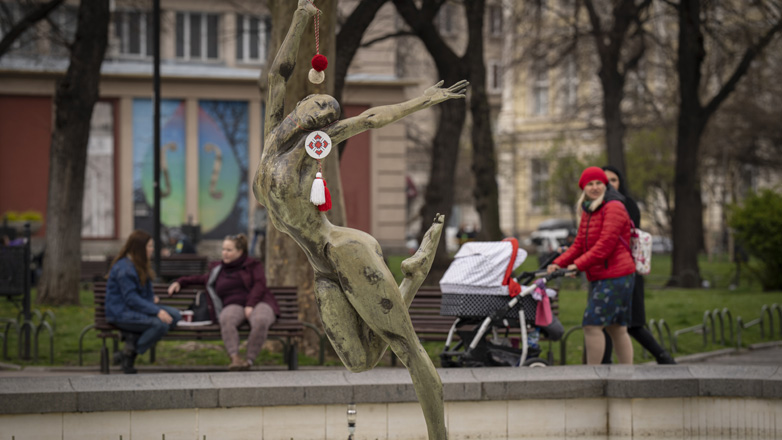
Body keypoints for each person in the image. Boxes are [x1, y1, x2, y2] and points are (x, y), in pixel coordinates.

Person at [252, 2, 467, 439]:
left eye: (330, 114)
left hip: (342, 249)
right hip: (321, 267)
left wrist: (421, 101)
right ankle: (413, 276)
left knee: (406, 348)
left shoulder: (316, 143)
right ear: (303, 101)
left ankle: (439, 435)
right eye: (320, 106)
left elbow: (369, 119)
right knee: (359, 361)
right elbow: (278, 74)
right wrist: (299, 18)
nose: (325, 115)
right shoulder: (273, 135)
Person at [547, 167, 636, 365]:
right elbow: (579, 244)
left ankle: (592, 375)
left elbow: (605, 246)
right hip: (604, 275)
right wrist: (557, 263)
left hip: (616, 275)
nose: (595, 187)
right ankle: (626, 374)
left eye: (599, 183)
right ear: (583, 187)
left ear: (605, 185)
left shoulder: (613, 207)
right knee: (616, 328)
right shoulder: (590, 209)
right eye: (590, 184)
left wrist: (576, 266)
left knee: (592, 325)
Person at [167, 234, 278, 371]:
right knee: (226, 318)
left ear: (240, 251)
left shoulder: (252, 265)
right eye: (223, 249)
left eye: (229, 250)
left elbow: (260, 285)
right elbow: (200, 279)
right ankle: (235, 358)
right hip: (233, 304)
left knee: (261, 320)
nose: (224, 253)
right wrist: (180, 281)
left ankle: (249, 360)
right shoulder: (218, 270)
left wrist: (250, 304)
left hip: (258, 302)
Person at [601, 165, 676, 364]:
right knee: (605, 324)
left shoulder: (627, 205)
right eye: (605, 180)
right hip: (606, 273)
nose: (609, 185)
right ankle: (604, 364)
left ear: (621, 183)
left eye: (614, 180)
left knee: (628, 324)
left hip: (627, 272)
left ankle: (665, 359)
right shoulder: (596, 206)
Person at [105, 230, 182, 374]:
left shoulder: (139, 264)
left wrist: (151, 299)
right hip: (121, 313)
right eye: (149, 246)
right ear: (139, 248)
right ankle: (128, 354)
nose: (152, 249)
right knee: (161, 324)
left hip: (135, 308)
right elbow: (131, 298)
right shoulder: (125, 268)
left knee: (175, 316)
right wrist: (157, 311)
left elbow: (141, 293)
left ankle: (131, 339)